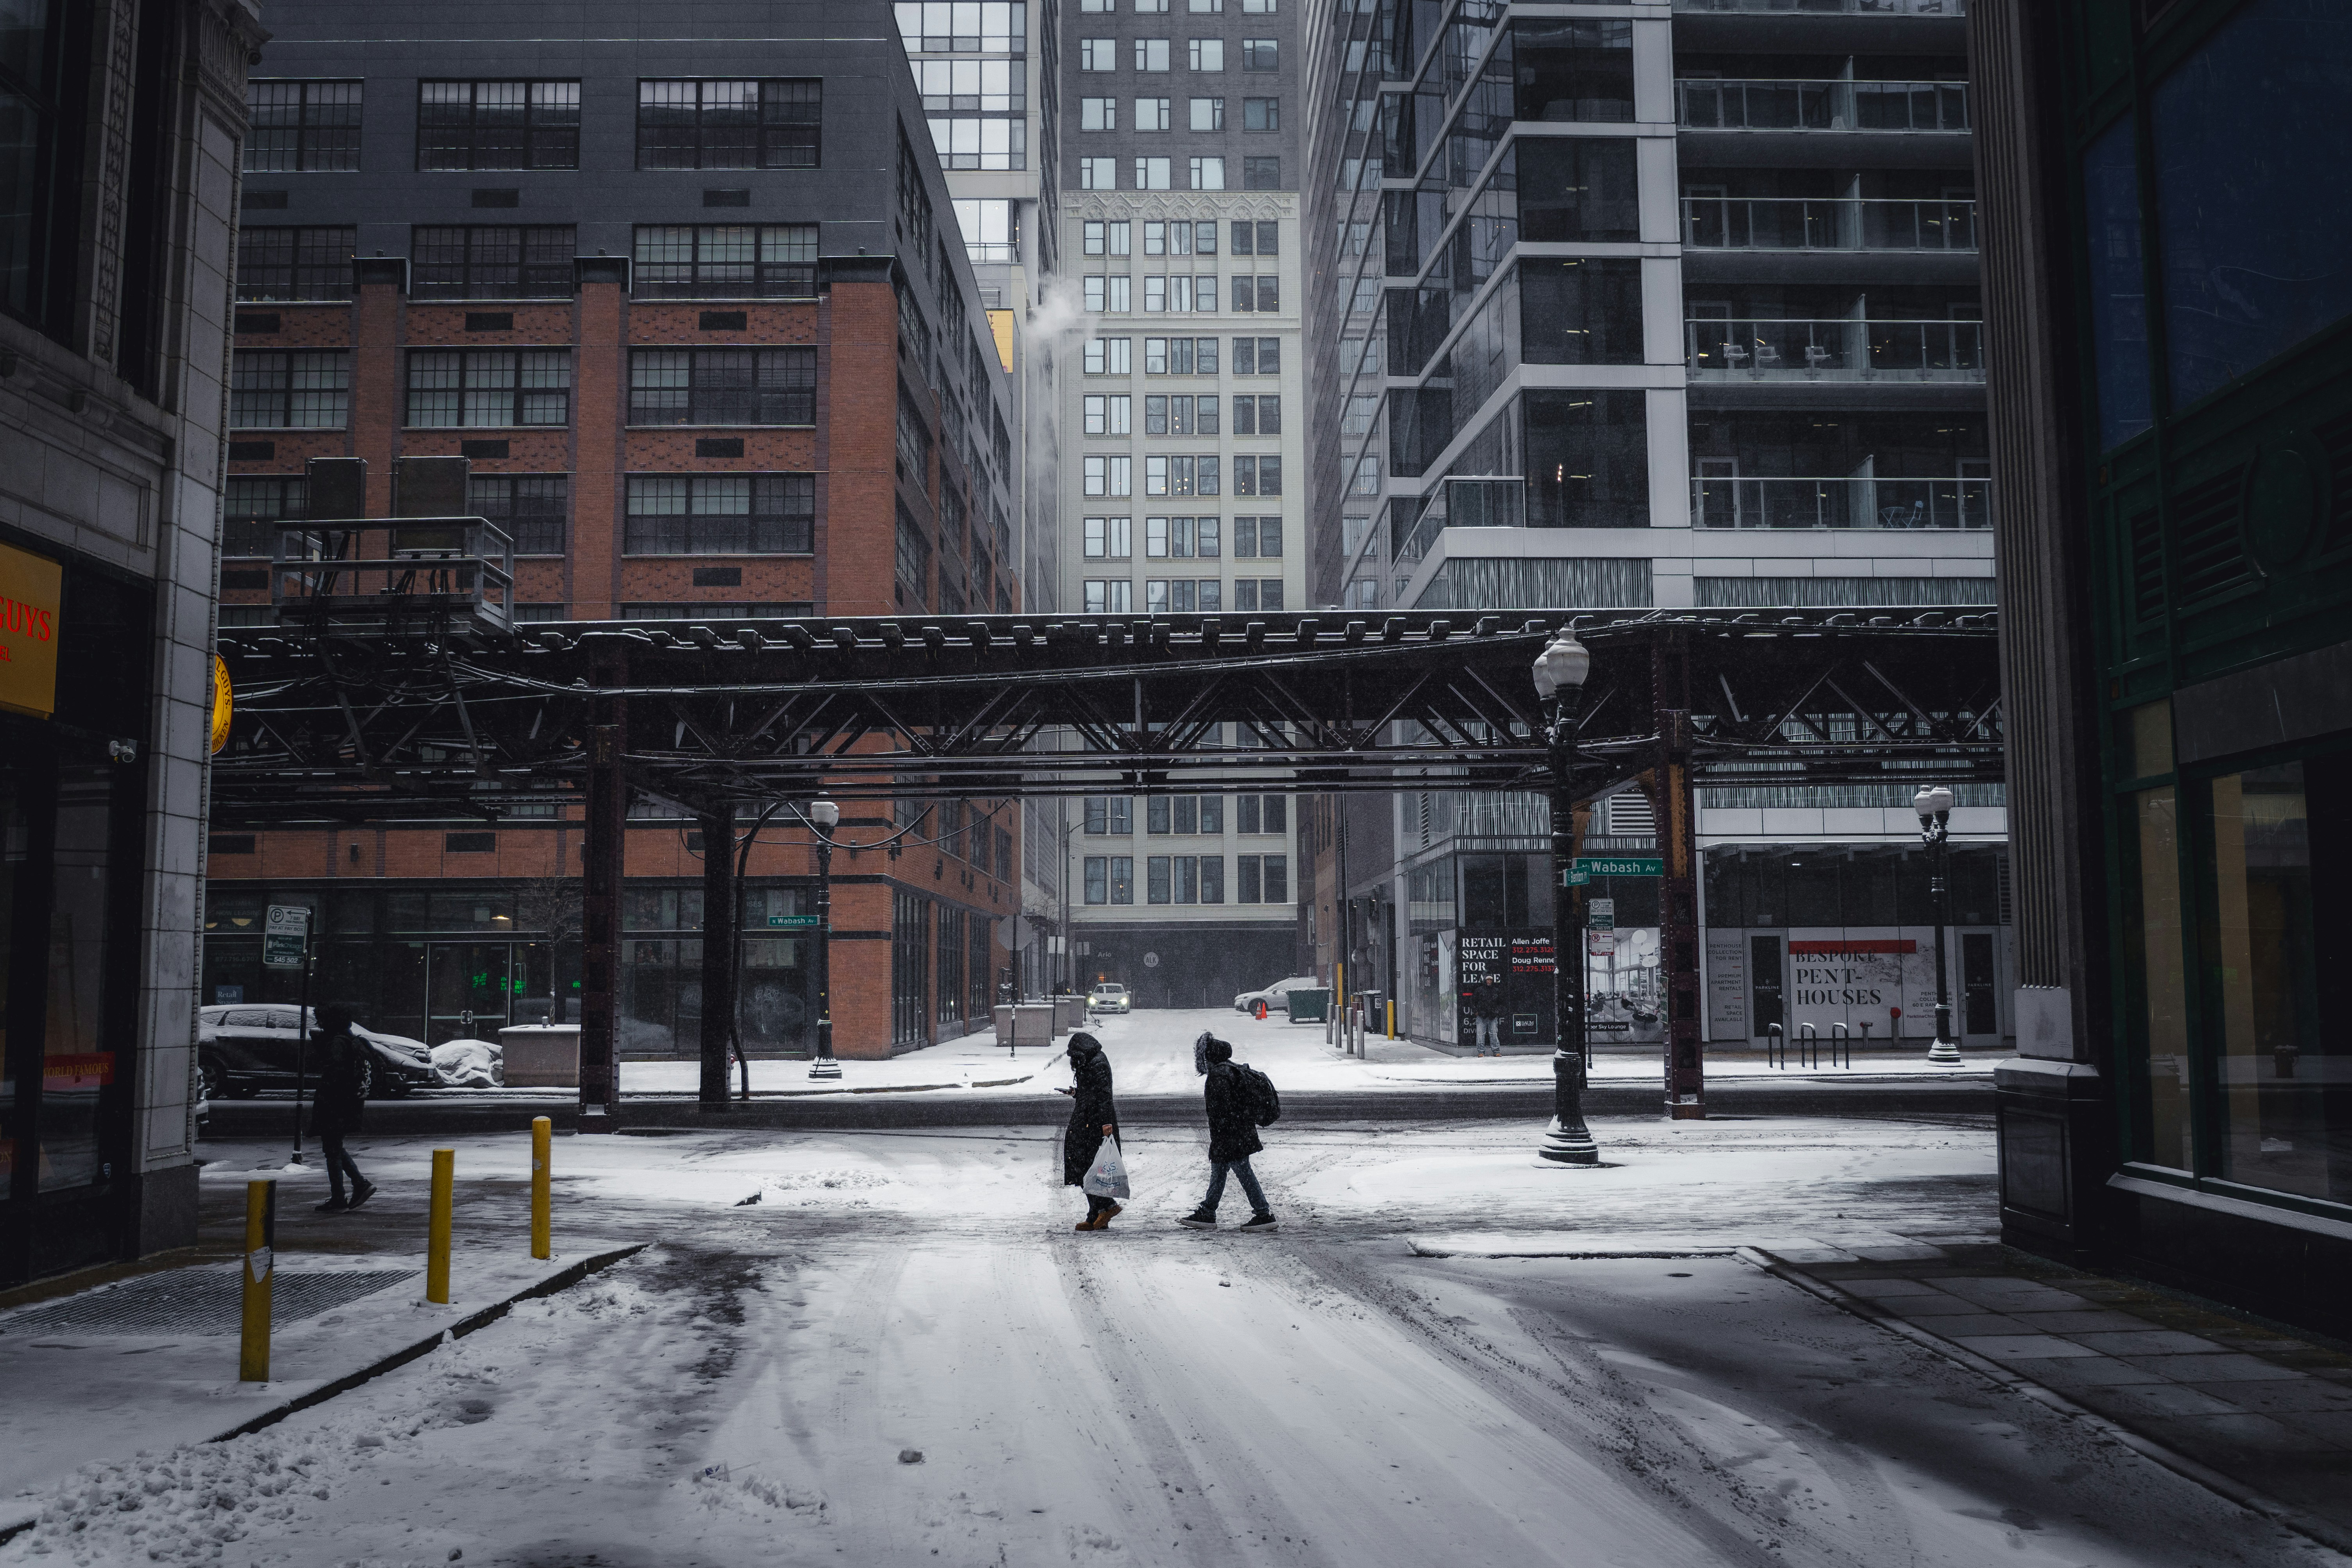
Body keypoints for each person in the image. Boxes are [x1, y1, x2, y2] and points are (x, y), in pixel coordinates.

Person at [1179, 1038, 1276, 1232]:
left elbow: (1221, 1112)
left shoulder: (1219, 1077)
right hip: (1238, 1133)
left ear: (1210, 1057)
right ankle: (1207, 1212)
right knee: (1219, 1172)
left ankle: (1264, 1214)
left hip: (1231, 1137)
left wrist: (1221, 1139)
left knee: (1244, 1173)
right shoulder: (1232, 1070)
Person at [309, 1004, 375, 1213]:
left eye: (321, 1021)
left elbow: (334, 1076)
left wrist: (325, 1099)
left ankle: (341, 1197)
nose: (319, 1026)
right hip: (347, 1104)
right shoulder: (351, 1041)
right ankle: (359, 1185)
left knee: (332, 1151)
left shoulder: (338, 1043)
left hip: (335, 1105)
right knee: (334, 1147)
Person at [1058, 1031, 1122, 1230]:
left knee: (1090, 1167)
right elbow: (1093, 1092)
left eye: (1074, 1056)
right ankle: (1097, 1215)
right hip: (1088, 1121)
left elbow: (1104, 1096)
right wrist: (1077, 1093)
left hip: (1094, 1125)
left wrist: (1105, 1124)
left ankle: (1107, 1207)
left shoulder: (1097, 1063)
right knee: (1087, 1167)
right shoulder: (1091, 1062)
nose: (1073, 1062)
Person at [1471, 976, 1506, 1056]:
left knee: (1494, 1034)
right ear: (1485, 981)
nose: (1489, 981)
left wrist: (1496, 1012)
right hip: (1481, 1016)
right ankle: (1481, 1052)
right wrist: (1476, 1011)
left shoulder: (1496, 991)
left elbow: (1501, 1003)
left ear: (1492, 981)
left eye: (1491, 980)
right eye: (1488, 980)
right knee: (1480, 1035)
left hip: (1492, 1016)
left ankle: (1496, 1051)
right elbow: (1473, 1001)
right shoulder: (1479, 990)